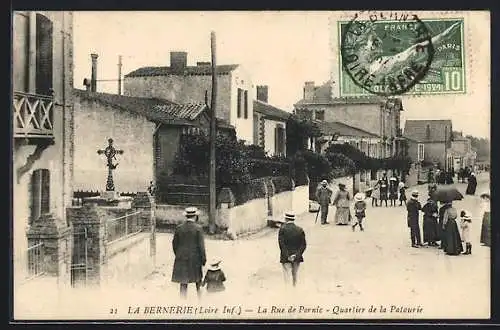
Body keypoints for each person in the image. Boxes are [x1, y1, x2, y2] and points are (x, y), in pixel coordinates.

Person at [171, 207, 207, 299]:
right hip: (195, 259)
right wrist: (203, 260)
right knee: (198, 281)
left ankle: (183, 303)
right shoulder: (198, 228)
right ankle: (200, 302)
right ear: (195, 216)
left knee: (183, 282)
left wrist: (179, 255)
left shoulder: (179, 228)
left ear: (186, 216)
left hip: (182, 258)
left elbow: (174, 244)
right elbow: (201, 247)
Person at [278, 211, 307, 287]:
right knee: (295, 275)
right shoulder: (300, 230)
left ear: (286, 219)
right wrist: (296, 255)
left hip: (286, 257)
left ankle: (288, 292)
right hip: (297, 257)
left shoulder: (282, 230)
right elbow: (303, 245)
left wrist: (288, 256)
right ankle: (294, 290)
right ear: (294, 219)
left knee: (287, 276)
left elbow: (282, 245)